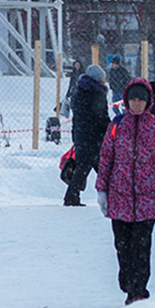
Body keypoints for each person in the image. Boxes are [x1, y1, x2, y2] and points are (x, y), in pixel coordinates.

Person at [95, 78, 155, 305]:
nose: (137, 104)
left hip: (148, 199)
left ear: (148, 101)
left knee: (141, 245)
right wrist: (101, 189)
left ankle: (138, 291)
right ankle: (128, 282)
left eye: (141, 100)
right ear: (127, 101)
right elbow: (106, 158)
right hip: (119, 197)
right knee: (122, 245)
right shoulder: (117, 126)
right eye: (133, 100)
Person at [63, 64, 112, 207]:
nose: (104, 81)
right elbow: (101, 117)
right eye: (103, 79)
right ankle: (113, 196)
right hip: (95, 138)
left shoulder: (78, 93)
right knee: (98, 169)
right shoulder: (97, 95)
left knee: (84, 169)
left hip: (81, 136)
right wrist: (111, 130)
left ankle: (72, 197)